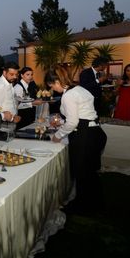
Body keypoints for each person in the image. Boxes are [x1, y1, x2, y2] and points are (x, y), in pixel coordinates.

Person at [46, 65, 107, 211]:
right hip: (94, 131)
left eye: (52, 86)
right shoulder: (79, 89)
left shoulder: (69, 95)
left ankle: (83, 205)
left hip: (86, 135)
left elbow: (73, 122)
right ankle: (94, 202)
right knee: (89, 172)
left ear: (57, 82)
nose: (53, 89)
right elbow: (81, 115)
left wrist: (57, 135)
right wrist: (61, 122)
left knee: (81, 171)